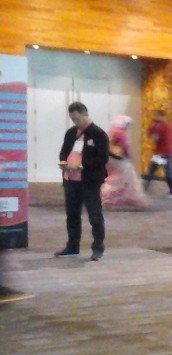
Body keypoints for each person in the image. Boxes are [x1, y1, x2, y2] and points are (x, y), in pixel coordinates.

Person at [55, 102, 108, 261]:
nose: (75, 122)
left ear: (85, 115)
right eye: (72, 119)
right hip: (70, 180)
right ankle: (72, 246)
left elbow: (103, 158)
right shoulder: (71, 133)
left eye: (77, 119)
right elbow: (64, 151)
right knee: (72, 215)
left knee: (94, 215)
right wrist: (64, 163)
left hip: (89, 181)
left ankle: (98, 247)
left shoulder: (98, 134)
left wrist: (82, 166)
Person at [101, 115, 149, 210]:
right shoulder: (121, 133)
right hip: (120, 160)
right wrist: (130, 157)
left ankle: (109, 200)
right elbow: (126, 147)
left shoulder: (111, 132)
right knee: (128, 179)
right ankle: (134, 200)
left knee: (113, 179)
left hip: (110, 159)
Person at [143, 109, 172, 197]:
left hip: (161, 152)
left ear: (160, 116)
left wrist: (152, 127)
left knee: (153, 171)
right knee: (166, 172)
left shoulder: (160, 126)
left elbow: (155, 138)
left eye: (156, 115)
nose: (155, 117)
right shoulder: (169, 125)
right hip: (167, 152)